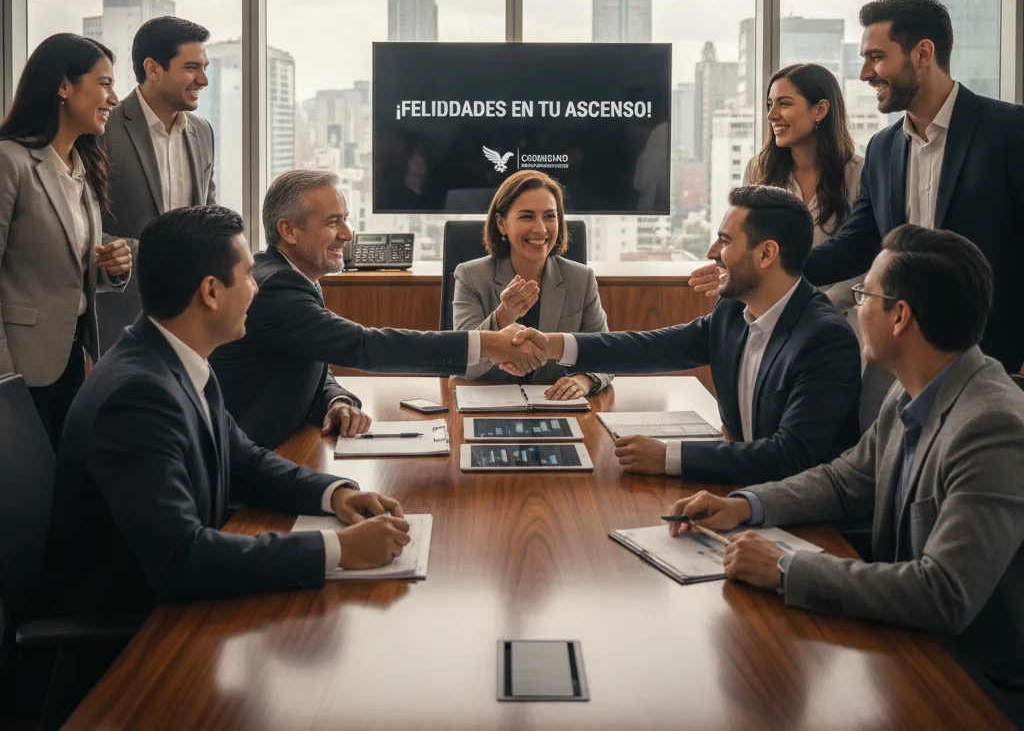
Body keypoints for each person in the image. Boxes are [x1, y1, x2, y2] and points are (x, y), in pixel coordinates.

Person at [669, 225, 1024, 689]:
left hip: (969, 683)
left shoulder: (991, 426)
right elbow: (845, 480)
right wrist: (743, 505)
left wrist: (783, 567)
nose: (856, 307)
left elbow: (944, 594)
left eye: (864, 295)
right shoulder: (910, 388)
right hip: (901, 646)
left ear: (900, 317)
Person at [43, 205, 412, 625]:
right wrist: (339, 550)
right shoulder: (136, 395)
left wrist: (336, 494)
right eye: (250, 275)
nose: (257, 289)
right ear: (211, 292)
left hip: (179, 605)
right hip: (132, 637)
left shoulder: (176, 357)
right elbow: (182, 559)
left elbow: (243, 461)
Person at [689, 0, 1024, 374]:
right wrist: (755, 270)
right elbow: (855, 246)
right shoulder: (884, 148)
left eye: (876, 57)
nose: (865, 74)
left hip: (994, 358)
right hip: (902, 358)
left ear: (923, 53)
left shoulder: (1008, 130)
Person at [512, 186, 862, 485]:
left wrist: (670, 457)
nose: (712, 253)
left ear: (767, 253)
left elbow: (791, 457)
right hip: (739, 489)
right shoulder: (732, 313)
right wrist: (555, 344)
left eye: (725, 241)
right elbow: (652, 347)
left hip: (803, 519)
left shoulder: (824, 340)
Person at [210, 170, 548, 449]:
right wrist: (488, 343)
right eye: (332, 222)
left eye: (345, 219)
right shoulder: (277, 289)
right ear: (288, 230)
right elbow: (364, 346)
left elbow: (312, 358)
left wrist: (335, 400)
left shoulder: (294, 276)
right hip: (244, 471)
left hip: (285, 447)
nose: (347, 233)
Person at [0, 34, 132, 445]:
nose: (114, 98)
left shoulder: (82, 166)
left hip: (74, 361)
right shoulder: (10, 161)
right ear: (63, 86)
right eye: (104, 83)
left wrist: (112, 266)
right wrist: (5, 376)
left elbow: (69, 268)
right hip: (18, 367)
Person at [98, 15, 216, 352]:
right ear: (152, 68)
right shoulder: (102, 129)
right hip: (123, 317)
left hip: (191, 316)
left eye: (204, 66)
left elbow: (209, 216)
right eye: (192, 67)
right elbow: (83, 226)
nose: (203, 79)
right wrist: (149, 256)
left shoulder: (203, 131)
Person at [452, 169, 612, 400]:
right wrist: (504, 315)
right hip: (486, 403)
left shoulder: (581, 278)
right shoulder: (470, 276)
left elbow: (605, 354)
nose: (540, 228)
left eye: (549, 216)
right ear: (501, 223)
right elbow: (464, 363)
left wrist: (584, 380)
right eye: (527, 216)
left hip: (556, 404)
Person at [743, 63, 863, 337]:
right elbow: (745, 244)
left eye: (784, 104)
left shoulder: (859, 173)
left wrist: (817, 307)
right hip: (771, 323)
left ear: (820, 109)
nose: (772, 115)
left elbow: (867, 257)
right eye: (769, 104)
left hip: (841, 326)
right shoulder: (757, 171)